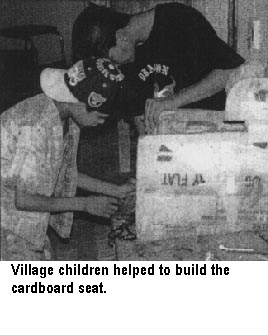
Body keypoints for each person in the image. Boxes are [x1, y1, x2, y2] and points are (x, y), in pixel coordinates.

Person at [0, 56, 134, 261]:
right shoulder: (36, 127)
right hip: (8, 218)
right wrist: (84, 204)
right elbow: (24, 200)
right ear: (82, 103)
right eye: (99, 117)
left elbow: (62, 171)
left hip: (18, 212)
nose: (99, 123)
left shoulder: (65, 113)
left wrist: (115, 190)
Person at [72, 2, 245, 132]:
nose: (113, 66)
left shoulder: (178, 20)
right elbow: (140, 116)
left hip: (215, 126)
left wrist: (173, 101)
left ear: (121, 36)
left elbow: (230, 70)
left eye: (111, 59)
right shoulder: (127, 60)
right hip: (173, 137)